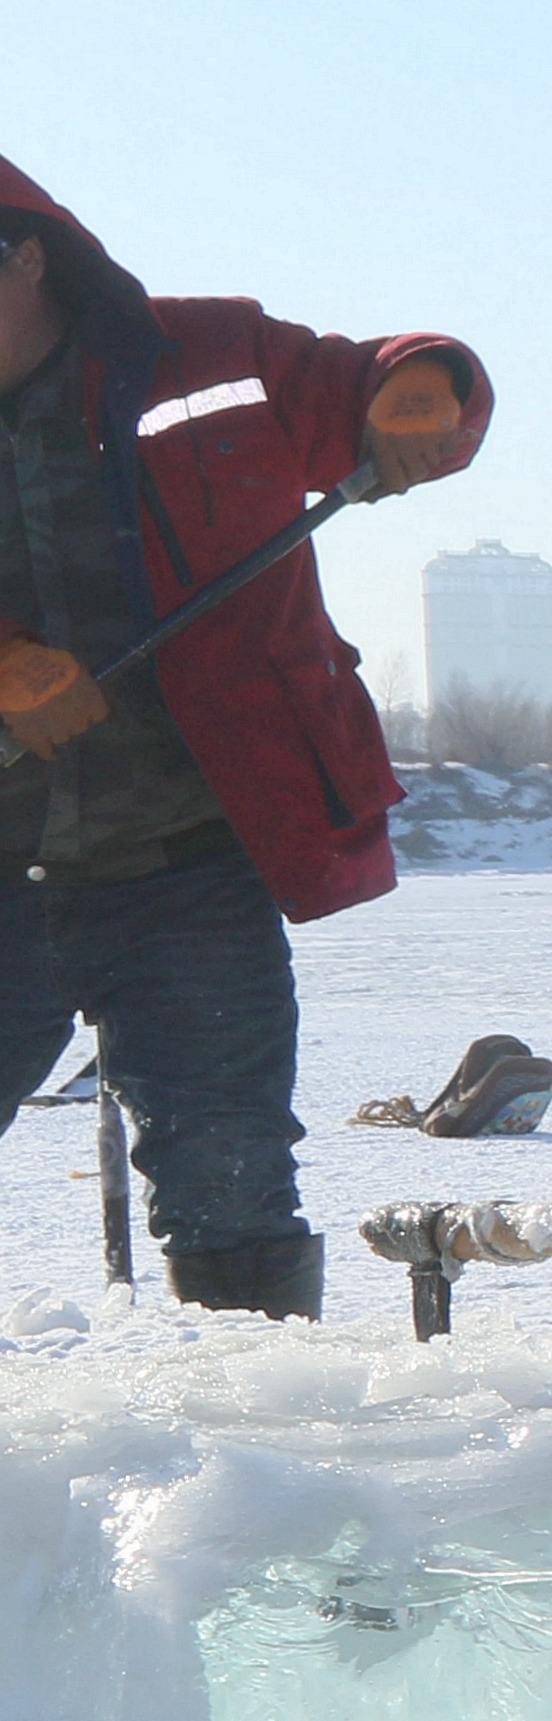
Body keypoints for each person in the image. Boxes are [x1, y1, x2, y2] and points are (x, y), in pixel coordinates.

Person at [0, 157, 488, 1321]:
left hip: (188, 874)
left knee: (233, 1191)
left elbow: (374, 380)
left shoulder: (208, 359)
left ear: (24, 254)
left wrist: (426, 389)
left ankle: (257, 1463)